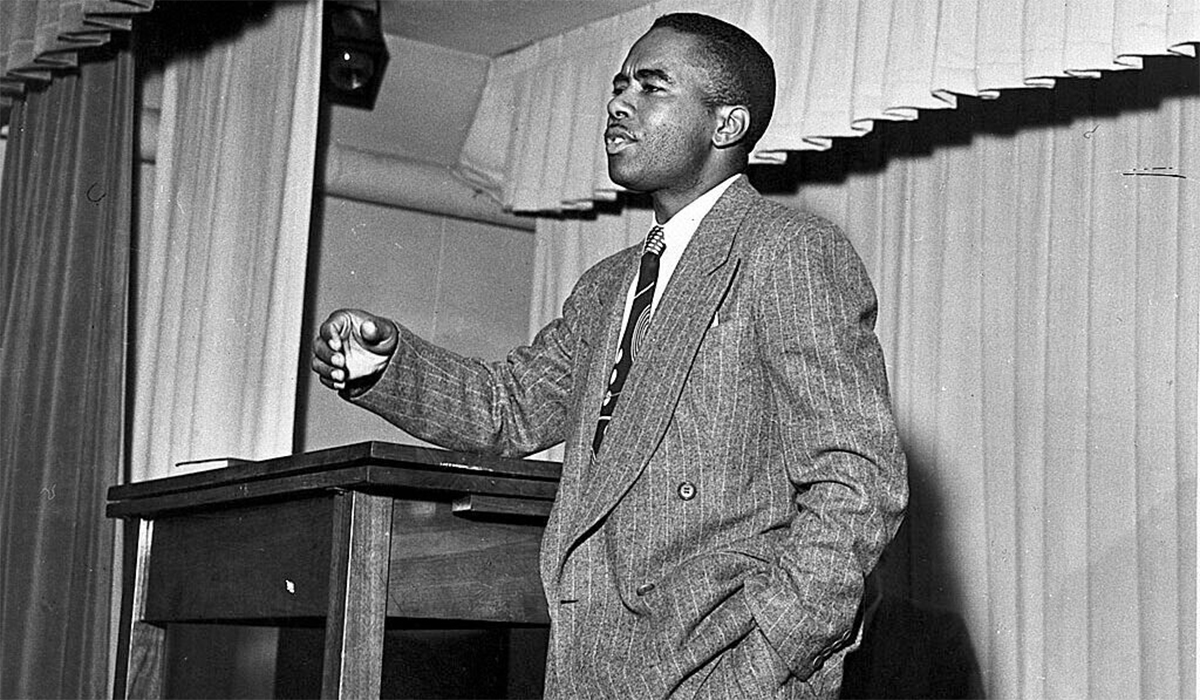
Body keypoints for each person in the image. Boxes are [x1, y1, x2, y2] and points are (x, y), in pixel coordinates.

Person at [312, 12, 906, 699]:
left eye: (651, 87)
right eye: (619, 83)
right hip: (590, 668)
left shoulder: (788, 252)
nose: (617, 103)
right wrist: (387, 366)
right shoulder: (607, 286)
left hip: (721, 671)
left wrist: (763, 662)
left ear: (727, 125)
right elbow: (509, 409)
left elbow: (857, 483)